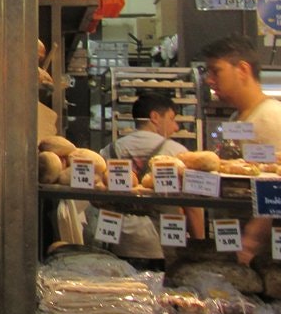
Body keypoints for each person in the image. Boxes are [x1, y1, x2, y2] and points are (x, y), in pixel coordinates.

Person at [91, 92, 204, 263]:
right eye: (172, 119)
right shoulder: (177, 152)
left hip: (118, 241)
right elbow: (193, 207)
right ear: (155, 117)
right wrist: (198, 247)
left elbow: (97, 198)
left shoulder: (110, 150)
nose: (176, 127)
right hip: (164, 241)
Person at [199, 35, 281, 265]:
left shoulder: (272, 117)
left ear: (243, 70)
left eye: (216, 71)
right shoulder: (239, 118)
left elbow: (276, 187)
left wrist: (253, 238)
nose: (209, 80)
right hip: (238, 243)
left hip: (263, 258)